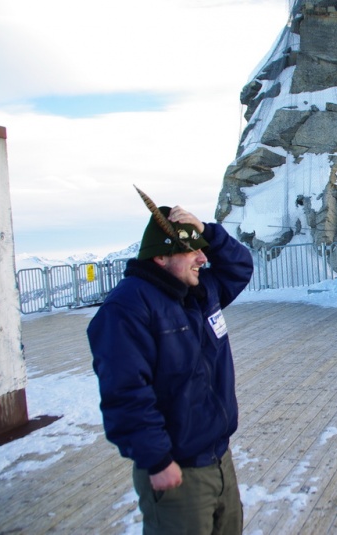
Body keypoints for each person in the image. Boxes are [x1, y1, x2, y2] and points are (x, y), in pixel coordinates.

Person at [87, 190, 253, 535]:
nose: (202, 259)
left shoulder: (199, 291)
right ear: (161, 257)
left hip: (218, 457)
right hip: (178, 471)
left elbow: (239, 266)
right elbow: (125, 392)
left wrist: (206, 231)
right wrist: (157, 460)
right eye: (191, 251)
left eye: (201, 250)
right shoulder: (128, 309)